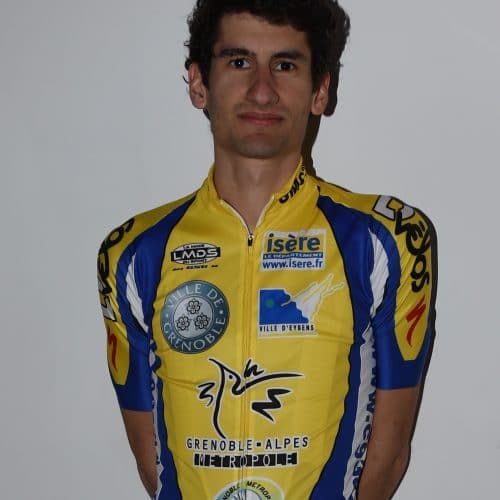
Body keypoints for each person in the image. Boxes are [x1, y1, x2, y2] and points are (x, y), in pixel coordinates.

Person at [97, 1, 437, 498]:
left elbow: (389, 454)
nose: (262, 89)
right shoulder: (132, 252)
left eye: (285, 65)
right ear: (199, 84)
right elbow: (153, 459)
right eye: (239, 62)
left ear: (320, 90)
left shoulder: (385, 239)